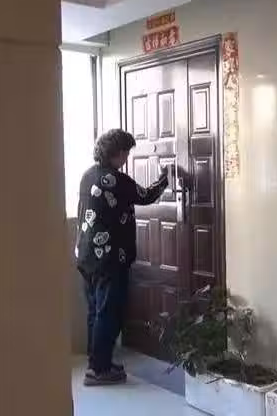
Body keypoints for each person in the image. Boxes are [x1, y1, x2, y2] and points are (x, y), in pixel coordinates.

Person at [76, 129, 169, 386]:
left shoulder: (88, 175)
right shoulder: (115, 180)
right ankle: (100, 370)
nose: (127, 158)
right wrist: (165, 178)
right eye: (126, 152)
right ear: (116, 153)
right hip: (108, 259)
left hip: (86, 255)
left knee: (95, 311)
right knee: (108, 312)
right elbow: (146, 195)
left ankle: (97, 363)